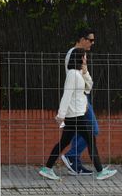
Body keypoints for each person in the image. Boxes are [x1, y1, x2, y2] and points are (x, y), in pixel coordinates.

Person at [39, 51, 117, 181]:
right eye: (85, 56)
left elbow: (89, 87)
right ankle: (100, 171)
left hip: (77, 114)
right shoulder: (72, 74)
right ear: (80, 58)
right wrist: (61, 115)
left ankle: (47, 169)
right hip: (75, 115)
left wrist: (86, 72)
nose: (86, 58)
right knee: (90, 140)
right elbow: (66, 95)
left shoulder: (78, 73)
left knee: (64, 142)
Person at [61, 29, 98, 175]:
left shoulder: (80, 54)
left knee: (78, 132)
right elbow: (77, 78)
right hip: (80, 98)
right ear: (82, 39)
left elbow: (86, 79)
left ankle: (74, 164)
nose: (92, 43)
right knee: (93, 129)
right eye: (90, 40)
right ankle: (71, 156)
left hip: (82, 97)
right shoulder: (74, 53)